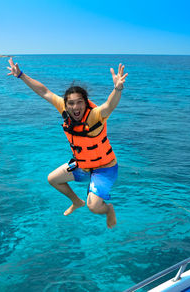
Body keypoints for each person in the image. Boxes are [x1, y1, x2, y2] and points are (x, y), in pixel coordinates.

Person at [7, 57, 128, 229]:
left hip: (105, 168)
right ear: (67, 104)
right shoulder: (64, 108)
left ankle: (109, 210)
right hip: (82, 165)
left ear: (85, 103)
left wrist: (117, 89)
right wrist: (21, 75)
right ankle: (76, 201)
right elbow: (44, 92)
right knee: (53, 179)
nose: (75, 107)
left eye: (80, 102)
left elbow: (109, 105)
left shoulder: (95, 115)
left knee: (94, 206)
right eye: (71, 103)